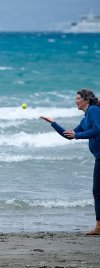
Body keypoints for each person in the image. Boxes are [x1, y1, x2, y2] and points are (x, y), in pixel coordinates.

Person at [40, 89, 100, 235]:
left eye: (78, 98)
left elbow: (98, 129)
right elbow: (69, 135)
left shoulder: (93, 110)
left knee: (97, 191)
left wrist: (78, 135)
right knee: (97, 191)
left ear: (86, 99)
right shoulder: (85, 119)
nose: (76, 100)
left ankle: (99, 227)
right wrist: (53, 123)